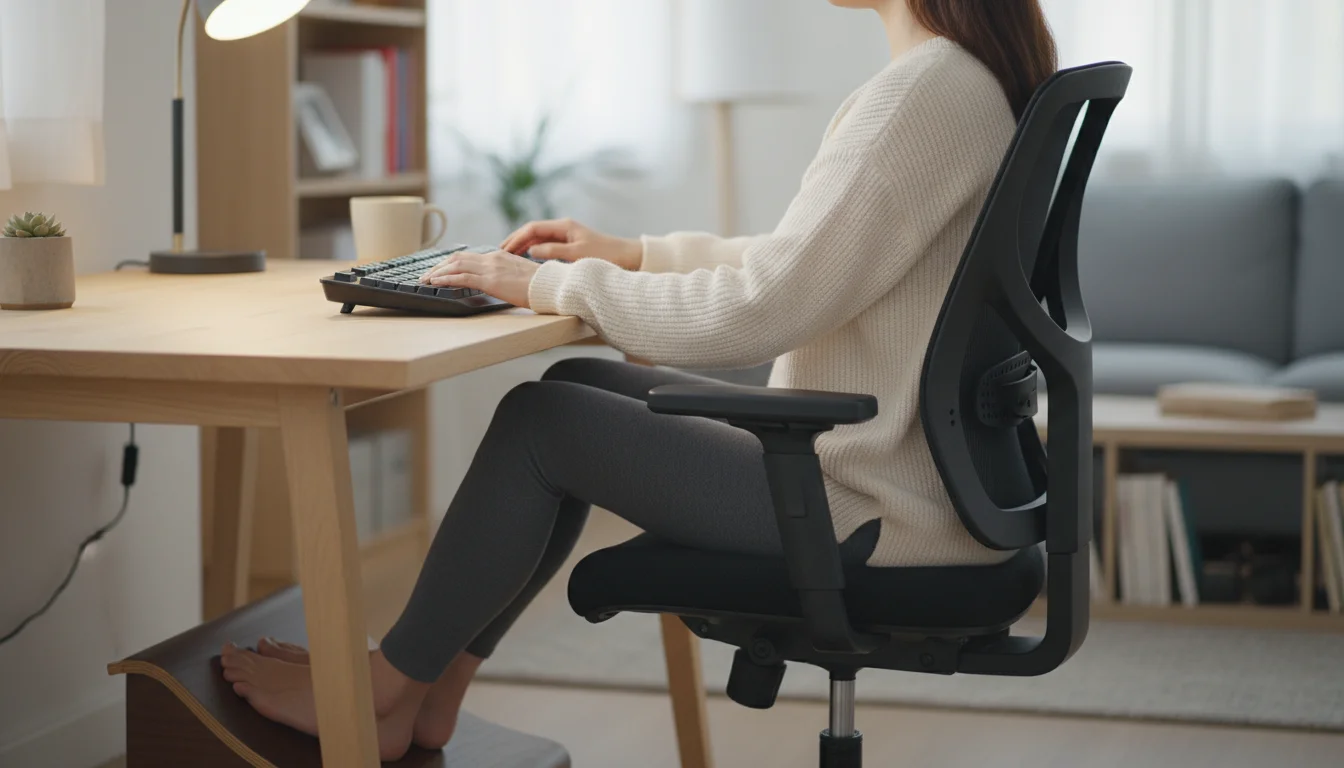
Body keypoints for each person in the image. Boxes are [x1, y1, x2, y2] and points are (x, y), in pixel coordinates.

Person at [220, 0, 1059, 759]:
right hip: (912, 479)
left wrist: (545, 284)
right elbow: (808, 264)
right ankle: (429, 689)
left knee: (544, 425)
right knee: (580, 379)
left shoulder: (921, 93)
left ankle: (383, 690)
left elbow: (762, 309)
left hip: (869, 502)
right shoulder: (967, 80)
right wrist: (635, 256)